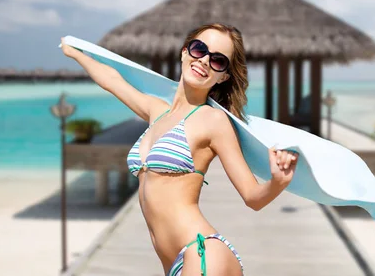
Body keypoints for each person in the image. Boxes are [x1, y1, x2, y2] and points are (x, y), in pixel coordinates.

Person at [60, 23, 299, 276]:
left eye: (218, 61)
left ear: (224, 76)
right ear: (185, 51)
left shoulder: (213, 121)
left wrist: (277, 181)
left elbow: (252, 196)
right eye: (199, 49)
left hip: (202, 253)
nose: (205, 60)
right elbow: (112, 81)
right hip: (173, 263)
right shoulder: (157, 112)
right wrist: (76, 53)